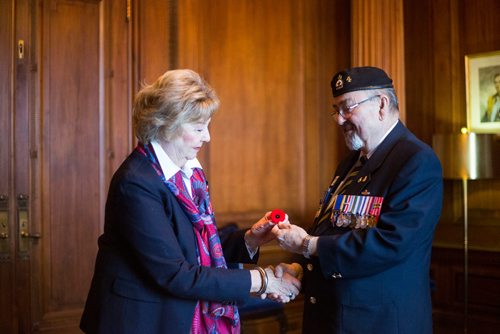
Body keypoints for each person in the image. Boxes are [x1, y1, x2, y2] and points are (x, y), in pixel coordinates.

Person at [80, 69, 300, 334]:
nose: (207, 137)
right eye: (198, 128)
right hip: (139, 319)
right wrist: (263, 281)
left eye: (207, 126)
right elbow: (175, 273)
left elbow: (194, 247)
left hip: (172, 311)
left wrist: (250, 239)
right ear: (166, 124)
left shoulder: (189, 172)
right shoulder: (136, 182)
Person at [273, 66, 443, 333]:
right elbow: (338, 231)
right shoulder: (351, 162)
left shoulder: (415, 160)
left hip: (379, 323)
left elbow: (391, 243)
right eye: (336, 110)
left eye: (347, 108)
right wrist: (302, 271)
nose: (339, 119)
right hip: (333, 317)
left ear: (382, 105)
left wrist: (307, 244)